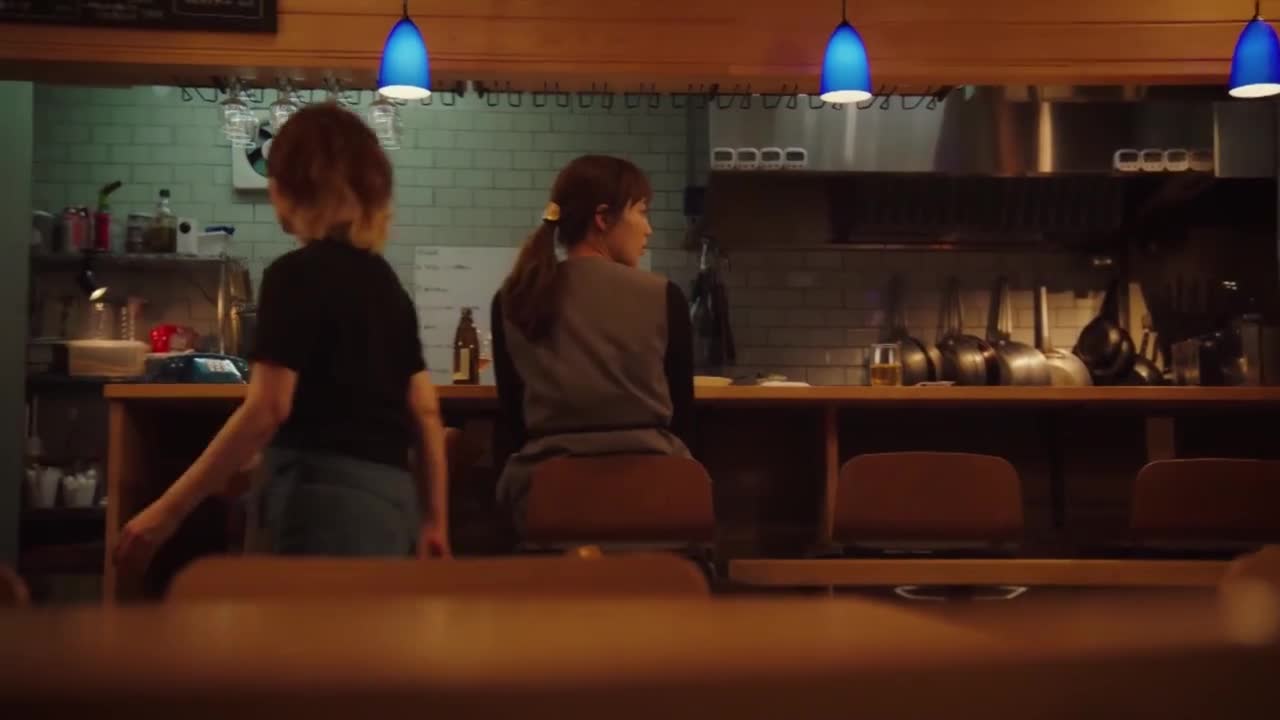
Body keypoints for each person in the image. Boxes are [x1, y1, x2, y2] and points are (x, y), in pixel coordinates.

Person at [114, 104, 450, 574]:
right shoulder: (389, 287)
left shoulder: (293, 275)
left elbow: (268, 409)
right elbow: (426, 411)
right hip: (393, 501)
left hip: (319, 502)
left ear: (292, 188)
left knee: (296, 625)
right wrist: (435, 520)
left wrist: (167, 512)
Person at [491, 154, 695, 535]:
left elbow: (515, 420)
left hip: (547, 501)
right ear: (603, 218)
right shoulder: (664, 296)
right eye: (642, 212)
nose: (648, 229)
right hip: (655, 498)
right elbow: (683, 416)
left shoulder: (513, 299)